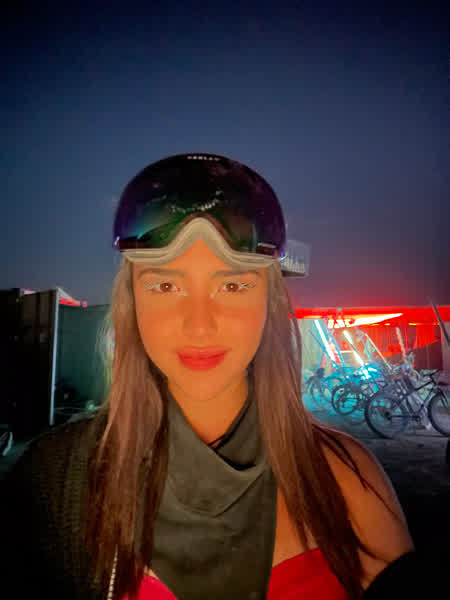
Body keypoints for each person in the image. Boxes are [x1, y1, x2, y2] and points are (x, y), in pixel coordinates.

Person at [0, 153, 437, 600]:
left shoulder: (348, 479)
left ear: (268, 303)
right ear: (133, 304)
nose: (199, 326)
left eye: (232, 285)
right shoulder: (55, 483)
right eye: (165, 285)